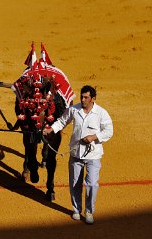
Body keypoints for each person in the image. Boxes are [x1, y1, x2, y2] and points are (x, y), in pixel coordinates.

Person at [43, 85, 113, 224]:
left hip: (93, 155)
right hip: (76, 153)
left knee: (92, 184)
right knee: (75, 183)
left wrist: (94, 137)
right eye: (82, 96)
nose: (83, 99)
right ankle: (76, 209)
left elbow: (109, 131)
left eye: (86, 97)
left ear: (93, 99)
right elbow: (62, 121)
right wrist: (51, 129)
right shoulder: (74, 109)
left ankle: (88, 211)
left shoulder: (101, 113)